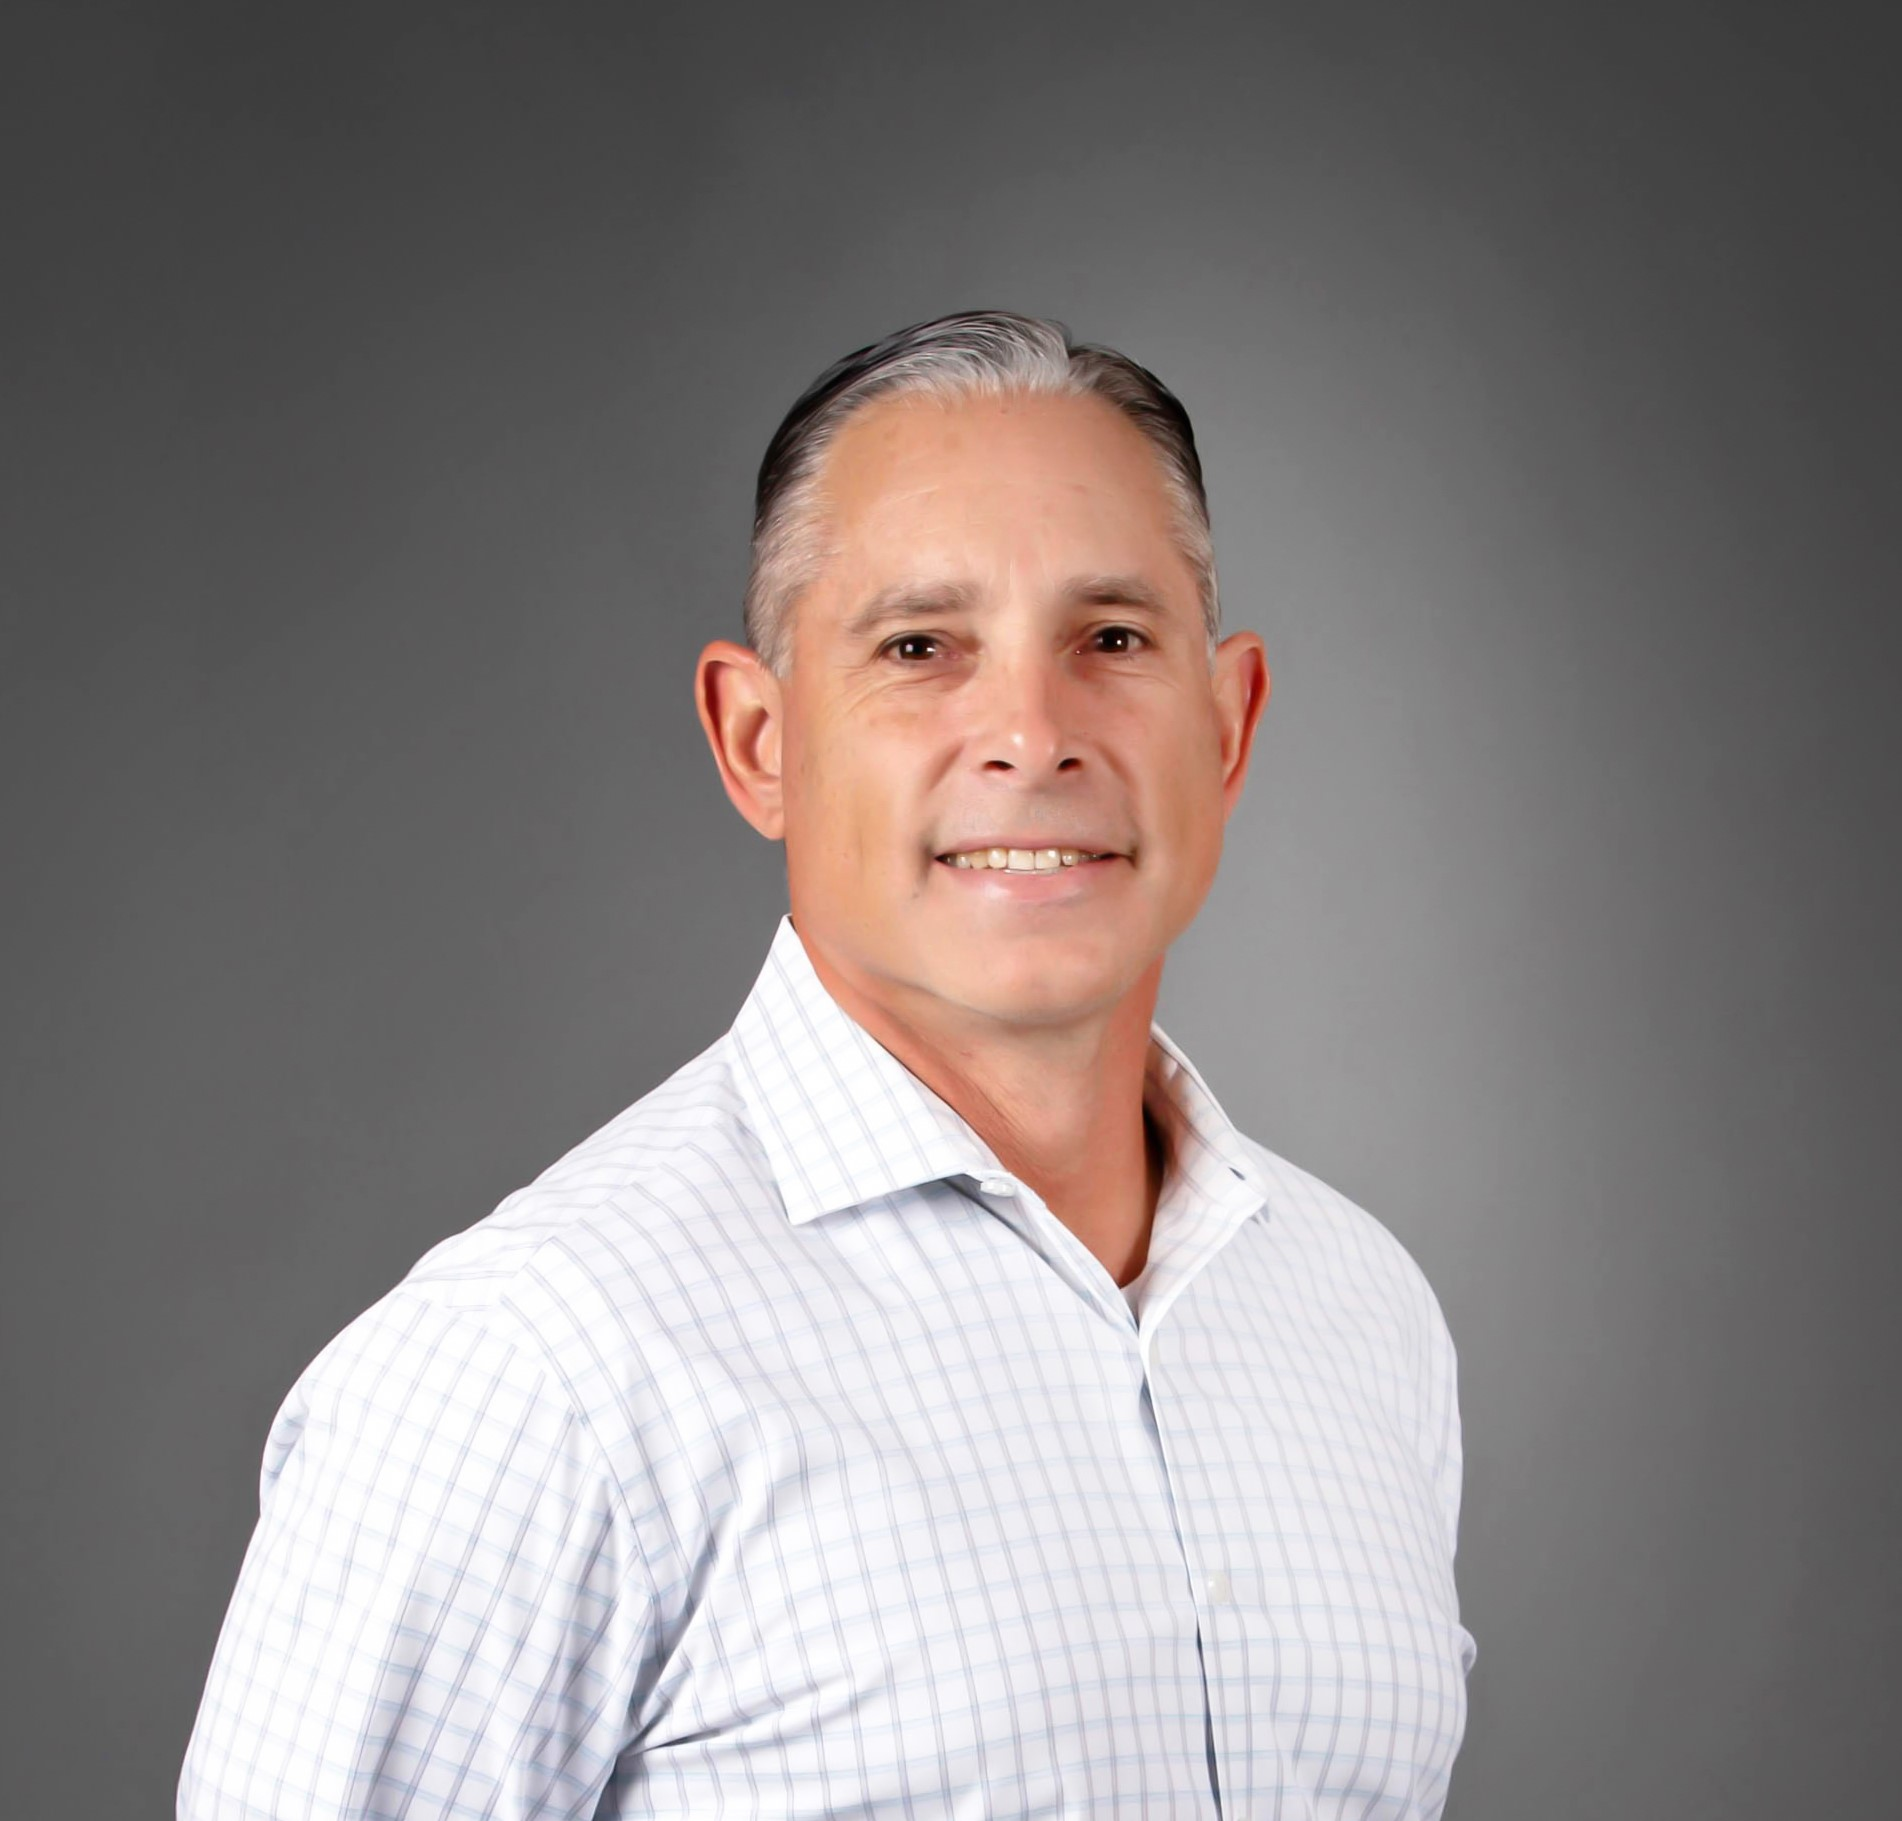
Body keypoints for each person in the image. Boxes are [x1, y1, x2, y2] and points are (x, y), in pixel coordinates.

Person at [179, 311, 1474, 1819]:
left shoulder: (1354, 1311)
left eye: (1110, 640)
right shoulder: (532, 1371)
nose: (1028, 733)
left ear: (1227, 721)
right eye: (919, 648)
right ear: (758, 742)